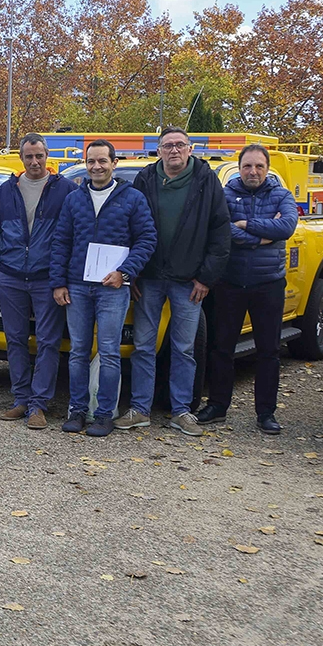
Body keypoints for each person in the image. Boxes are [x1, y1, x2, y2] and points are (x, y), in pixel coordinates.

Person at [126, 127, 230, 436]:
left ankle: (181, 412)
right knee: (143, 346)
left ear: (190, 149)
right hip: (150, 278)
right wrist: (133, 271)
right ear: (158, 150)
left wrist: (206, 278)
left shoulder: (206, 181)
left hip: (189, 281)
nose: (174, 150)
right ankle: (139, 409)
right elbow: (131, 227)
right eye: (168, 145)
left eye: (180, 145)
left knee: (184, 349)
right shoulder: (145, 179)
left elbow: (220, 232)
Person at [51, 140, 157, 437]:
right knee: (78, 351)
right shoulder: (75, 199)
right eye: (91, 162)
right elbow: (61, 242)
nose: (96, 167)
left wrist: (125, 272)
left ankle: (104, 414)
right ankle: (77, 411)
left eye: (102, 161)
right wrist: (58, 282)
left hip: (113, 287)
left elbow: (147, 239)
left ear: (114, 163)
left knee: (109, 352)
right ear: (86, 164)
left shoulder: (132, 198)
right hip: (78, 286)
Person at [198, 143, 298, 434]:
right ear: (239, 167)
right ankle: (217, 406)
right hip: (229, 283)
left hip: (268, 284)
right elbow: (220, 230)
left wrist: (245, 224)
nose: (253, 171)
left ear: (267, 169)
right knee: (222, 349)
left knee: (269, 351)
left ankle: (266, 413)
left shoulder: (282, 195)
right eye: (247, 166)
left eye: (259, 166)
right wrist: (263, 234)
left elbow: (287, 227)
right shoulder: (224, 194)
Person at [0, 133, 72, 429]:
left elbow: (70, 236)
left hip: (47, 277)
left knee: (49, 341)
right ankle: (20, 399)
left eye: (39, 156)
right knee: (15, 340)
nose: (34, 161)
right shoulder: (6, 190)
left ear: (48, 156)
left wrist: (61, 275)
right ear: (21, 158)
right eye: (28, 156)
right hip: (9, 276)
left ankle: (39, 404)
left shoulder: (65, 190)